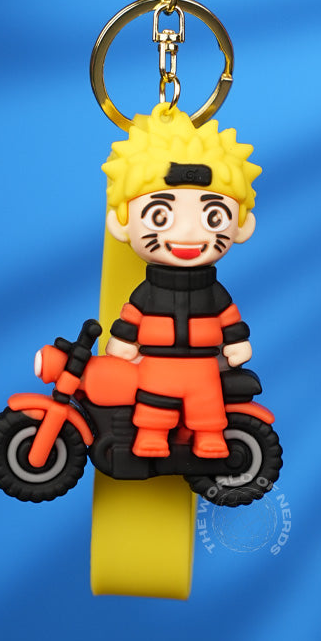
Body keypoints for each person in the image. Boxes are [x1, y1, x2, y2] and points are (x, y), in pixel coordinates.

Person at [102, 103, 261, 459]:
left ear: (241, 226)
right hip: (157, 364)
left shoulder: (213, 292)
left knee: (207, 406)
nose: (188, 231)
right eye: (160, 215)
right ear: (122, 223)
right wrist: (123, 340)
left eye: (213, 216)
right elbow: (132, 315)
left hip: (203, 365)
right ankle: (151, 437)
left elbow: (228, 317)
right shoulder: (149, 291)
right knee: (154, 404)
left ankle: (210, 439)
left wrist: (237, 340)